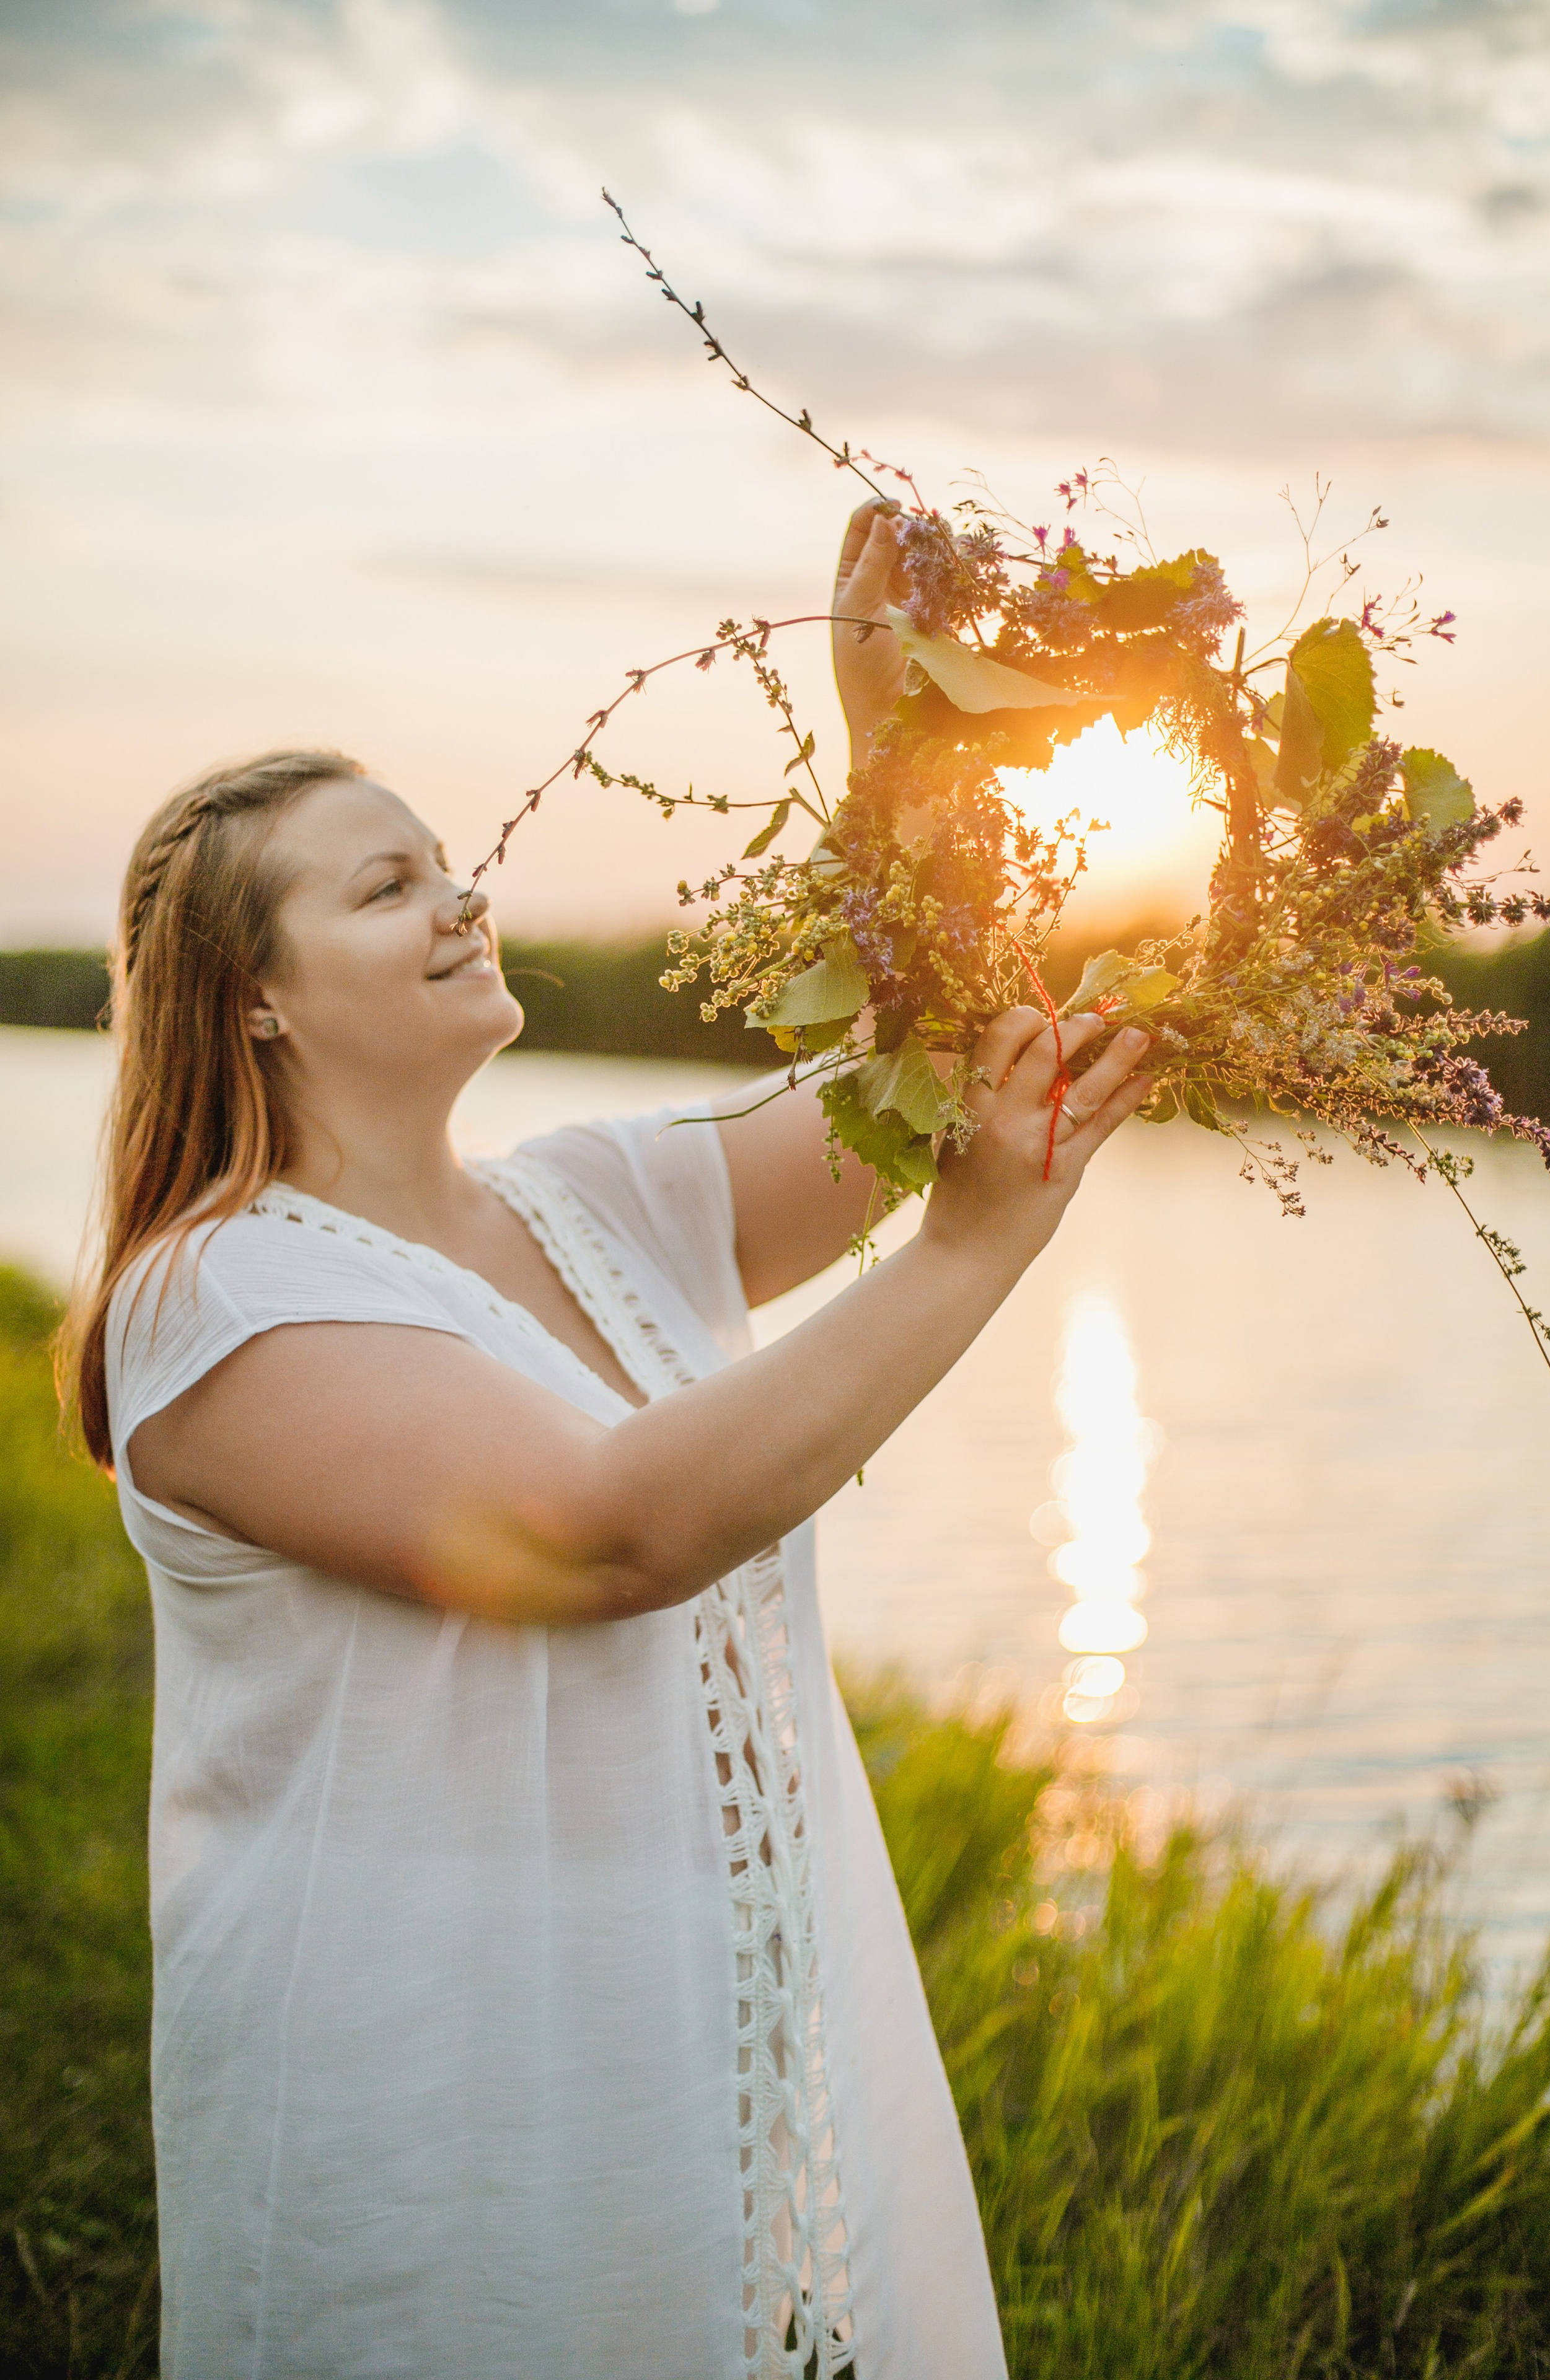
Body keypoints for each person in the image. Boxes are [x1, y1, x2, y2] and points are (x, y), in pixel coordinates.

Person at [63, 503, 1151, 2380]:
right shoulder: (209, 1303)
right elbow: (593, 1537)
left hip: (693, 2059)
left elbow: (917, 1063)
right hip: (441, 2115)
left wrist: (904, 767)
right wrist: (979, 1242)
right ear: (251, 993)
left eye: (452, 864)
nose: (461, 898)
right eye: (386, 885)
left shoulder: (595, 1200)